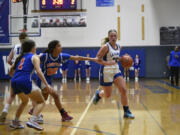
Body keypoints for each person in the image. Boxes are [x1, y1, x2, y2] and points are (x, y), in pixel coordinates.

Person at [34, 40, 111, 122]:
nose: (61, 47)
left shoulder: (61, 56)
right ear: (54, 48)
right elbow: (34, 58)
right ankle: (62, 114)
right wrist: (36, 56)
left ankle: (34, 110)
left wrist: (92, 59)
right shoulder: (45, 56)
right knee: (55, 95)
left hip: (49, 80)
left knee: (44, 98)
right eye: (59, 46)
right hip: (42, 80)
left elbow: (77, 58)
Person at [9, 39, 52, 130]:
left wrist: (17, 78)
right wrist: (46, 85)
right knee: (41, 102)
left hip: (14, 81)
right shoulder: (34, 57)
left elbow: (10, 71)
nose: (36, 48)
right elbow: (39, 72)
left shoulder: (20, 57)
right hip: (24, 80)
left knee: (24, 101)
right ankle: (33, 120)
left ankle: (15, 122)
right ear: (32, 48)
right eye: (35, 46)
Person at [93, 29, 135, 119]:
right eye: (111, 36)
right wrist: (108, 63)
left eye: (114, 36)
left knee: (123, 89)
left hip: (116, 69)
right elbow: (97, 59)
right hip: (106, 71)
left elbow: (115, 58)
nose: (113, 37)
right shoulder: (105, 47)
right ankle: (99, 94)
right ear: (109, 37)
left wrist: (123, 59)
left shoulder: (119, 46)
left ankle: (126, 111)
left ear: (117, 37)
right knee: (108, 95)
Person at [0, 32, 28, 122]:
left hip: (15, 71)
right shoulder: (29, 47)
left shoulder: (15, 46)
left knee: (12, 94)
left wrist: (14, 65)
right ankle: (37, 115)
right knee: (30, 95)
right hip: (24, 73)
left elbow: (8, 60)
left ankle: (5, 109)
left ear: (19, 39)